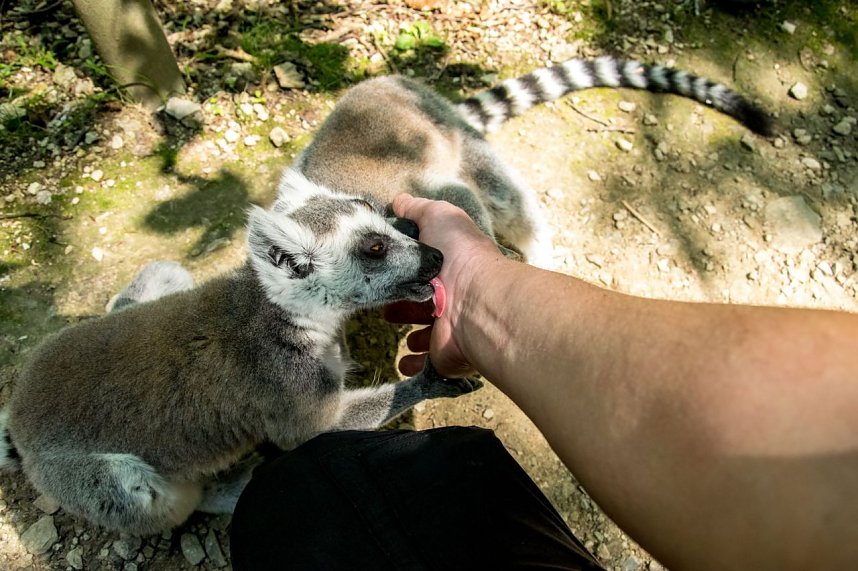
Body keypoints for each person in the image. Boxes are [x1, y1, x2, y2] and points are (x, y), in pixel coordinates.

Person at [231, 195, 858, 570]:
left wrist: (477, 291)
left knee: (300, 494)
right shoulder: (276, 341)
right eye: (373, 251)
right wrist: (478, 296)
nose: (415, 258)